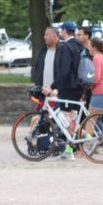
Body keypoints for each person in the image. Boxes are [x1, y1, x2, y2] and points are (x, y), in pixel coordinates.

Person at [31, 26, 77, 159]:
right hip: (45, 90)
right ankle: (46, 145)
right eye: (44, 35)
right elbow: (38, 67)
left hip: (57, 90)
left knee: (61, 119)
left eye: (47, 35)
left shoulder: (62, 49)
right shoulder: (44, 50)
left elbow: (64, 70)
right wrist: (39, 86)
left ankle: (71, 143)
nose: (44, 37)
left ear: (55, 36)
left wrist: (54, 87)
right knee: (44, 118)